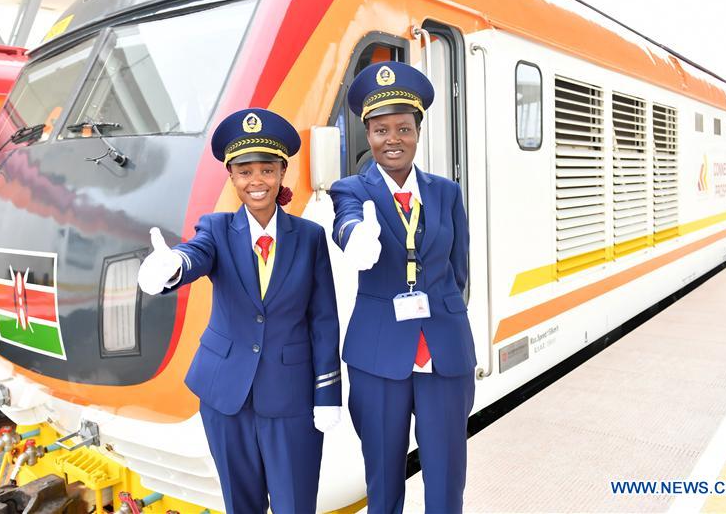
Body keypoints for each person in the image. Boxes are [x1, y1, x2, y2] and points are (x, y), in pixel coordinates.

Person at [138, 108, 342, 514]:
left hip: (291, 397)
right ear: (232, 177)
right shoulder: (215, 229)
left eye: (266, 170)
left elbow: (323, 319)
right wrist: (172, 267)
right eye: (245, 171)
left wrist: (327, 392)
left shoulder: (309, 237)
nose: (256, 181)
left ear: (282, 173)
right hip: (224, 396)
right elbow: (195, 255)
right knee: (241, 505)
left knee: (296, 504)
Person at [330, 61, 477, 513]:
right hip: (379, 357)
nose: (392, 139)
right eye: (380, 130)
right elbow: (346, 224)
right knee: (383, 475)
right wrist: (357, 238)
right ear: (367, 135)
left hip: (444, 352)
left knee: (446, 476)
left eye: (403, 128)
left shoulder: (446, 192)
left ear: (417, 132)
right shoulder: (350, 189)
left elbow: (460, 269)